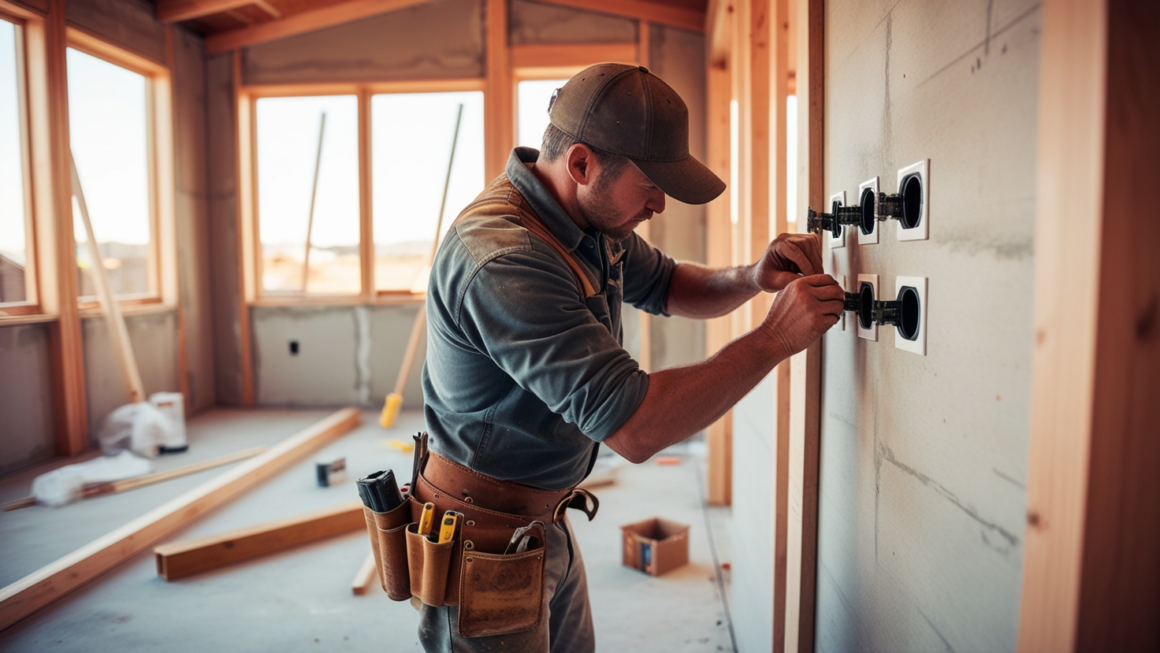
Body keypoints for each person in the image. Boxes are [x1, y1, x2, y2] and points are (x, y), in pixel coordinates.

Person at [414, 63, 844, 653]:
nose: (660, 205)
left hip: (543, 523)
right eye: (650, 185)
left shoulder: (586, 220)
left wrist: (753, 277)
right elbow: (635, 428)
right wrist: (774, 339)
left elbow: (668, 285)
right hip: (480, 540)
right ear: (583, 164)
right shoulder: (504, 259)